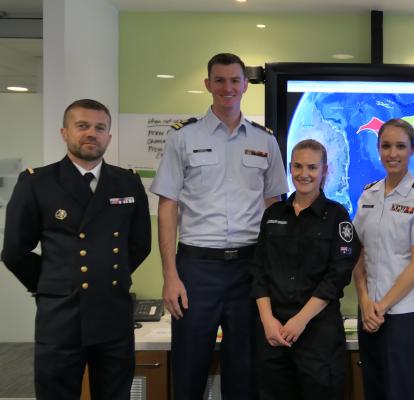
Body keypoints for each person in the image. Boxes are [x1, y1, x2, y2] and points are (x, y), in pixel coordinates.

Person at [150, 53, 288, 399]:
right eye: (220, 80)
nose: (228, 87)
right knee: (189, 369)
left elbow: (274, 207)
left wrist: (272, 271)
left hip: (248, 268)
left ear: (245, 85)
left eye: (235, 80)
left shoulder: (265, 141)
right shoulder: (183, 137)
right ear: (208, 84)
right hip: (197, 270)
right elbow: (168, 206)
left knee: (244, 372)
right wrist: (170, 275)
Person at [1, 99, 151, 399]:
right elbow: (15, 251)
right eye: (82, 126)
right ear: (64, 132)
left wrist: (106, 276)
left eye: (100, 127)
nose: (91, 133)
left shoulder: (128, 182)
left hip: (113, 312)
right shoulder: (37, 182)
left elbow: (140, 244)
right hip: (61, 317)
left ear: (108, 136)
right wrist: (53, 284)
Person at [249, 139, 360, 399]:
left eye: (312, 167)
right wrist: (267, 320)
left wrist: (300, 320)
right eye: (297, 166)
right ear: (290, 168)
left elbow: (337, 276)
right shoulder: (273, 214)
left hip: (316, 332)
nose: (304, 174)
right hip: (274, 331)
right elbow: (258, 270)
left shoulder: (337, 216)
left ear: (325, 170)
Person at [352, 118, 414, 400]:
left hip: (403, 314)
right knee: (375, 389)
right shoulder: (368, 194)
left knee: (402, 391)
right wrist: (364, 301)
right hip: (369, 312)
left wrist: (381, 307)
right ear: (378, 149)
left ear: (413, 149)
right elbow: (358, 252)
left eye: (401, 146)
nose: (393, 153)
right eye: (386, 146)